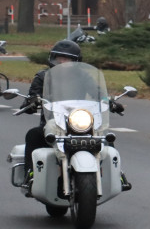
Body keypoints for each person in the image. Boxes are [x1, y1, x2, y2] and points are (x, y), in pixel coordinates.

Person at [21, 40, 125, 186]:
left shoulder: (83, 77)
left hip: (80, 122)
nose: (62, 62)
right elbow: (34, 94)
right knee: (32, 135)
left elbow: (98, 92)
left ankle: (117, 174)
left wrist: (109, 101)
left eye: (66, 59)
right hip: (54, 123)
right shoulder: (43, 77)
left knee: (105, 135)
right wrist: (32, 101)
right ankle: (30, 173)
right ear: (53, 58)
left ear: (76, 61)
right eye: (59, 58)